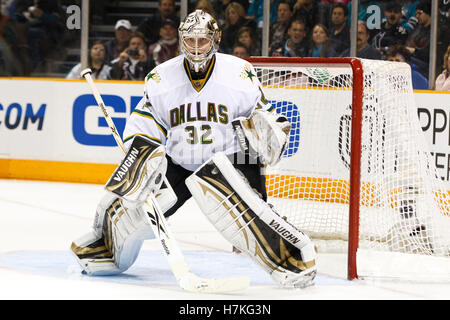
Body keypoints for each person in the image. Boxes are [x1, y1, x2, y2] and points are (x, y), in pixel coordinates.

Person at [70, 9, 317, 289]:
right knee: (135, 210)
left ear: (216, 39)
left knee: (253, 218)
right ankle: (107, 249)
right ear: (180, 40)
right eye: (190, 40)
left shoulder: (239, 72)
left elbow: (262, 117)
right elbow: (145, 124)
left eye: (203, 40)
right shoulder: (160, 78)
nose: (196, 47)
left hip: (231, 158)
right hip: (179, 161)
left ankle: (290, 259)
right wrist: (140, 152)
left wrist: (269, 133)